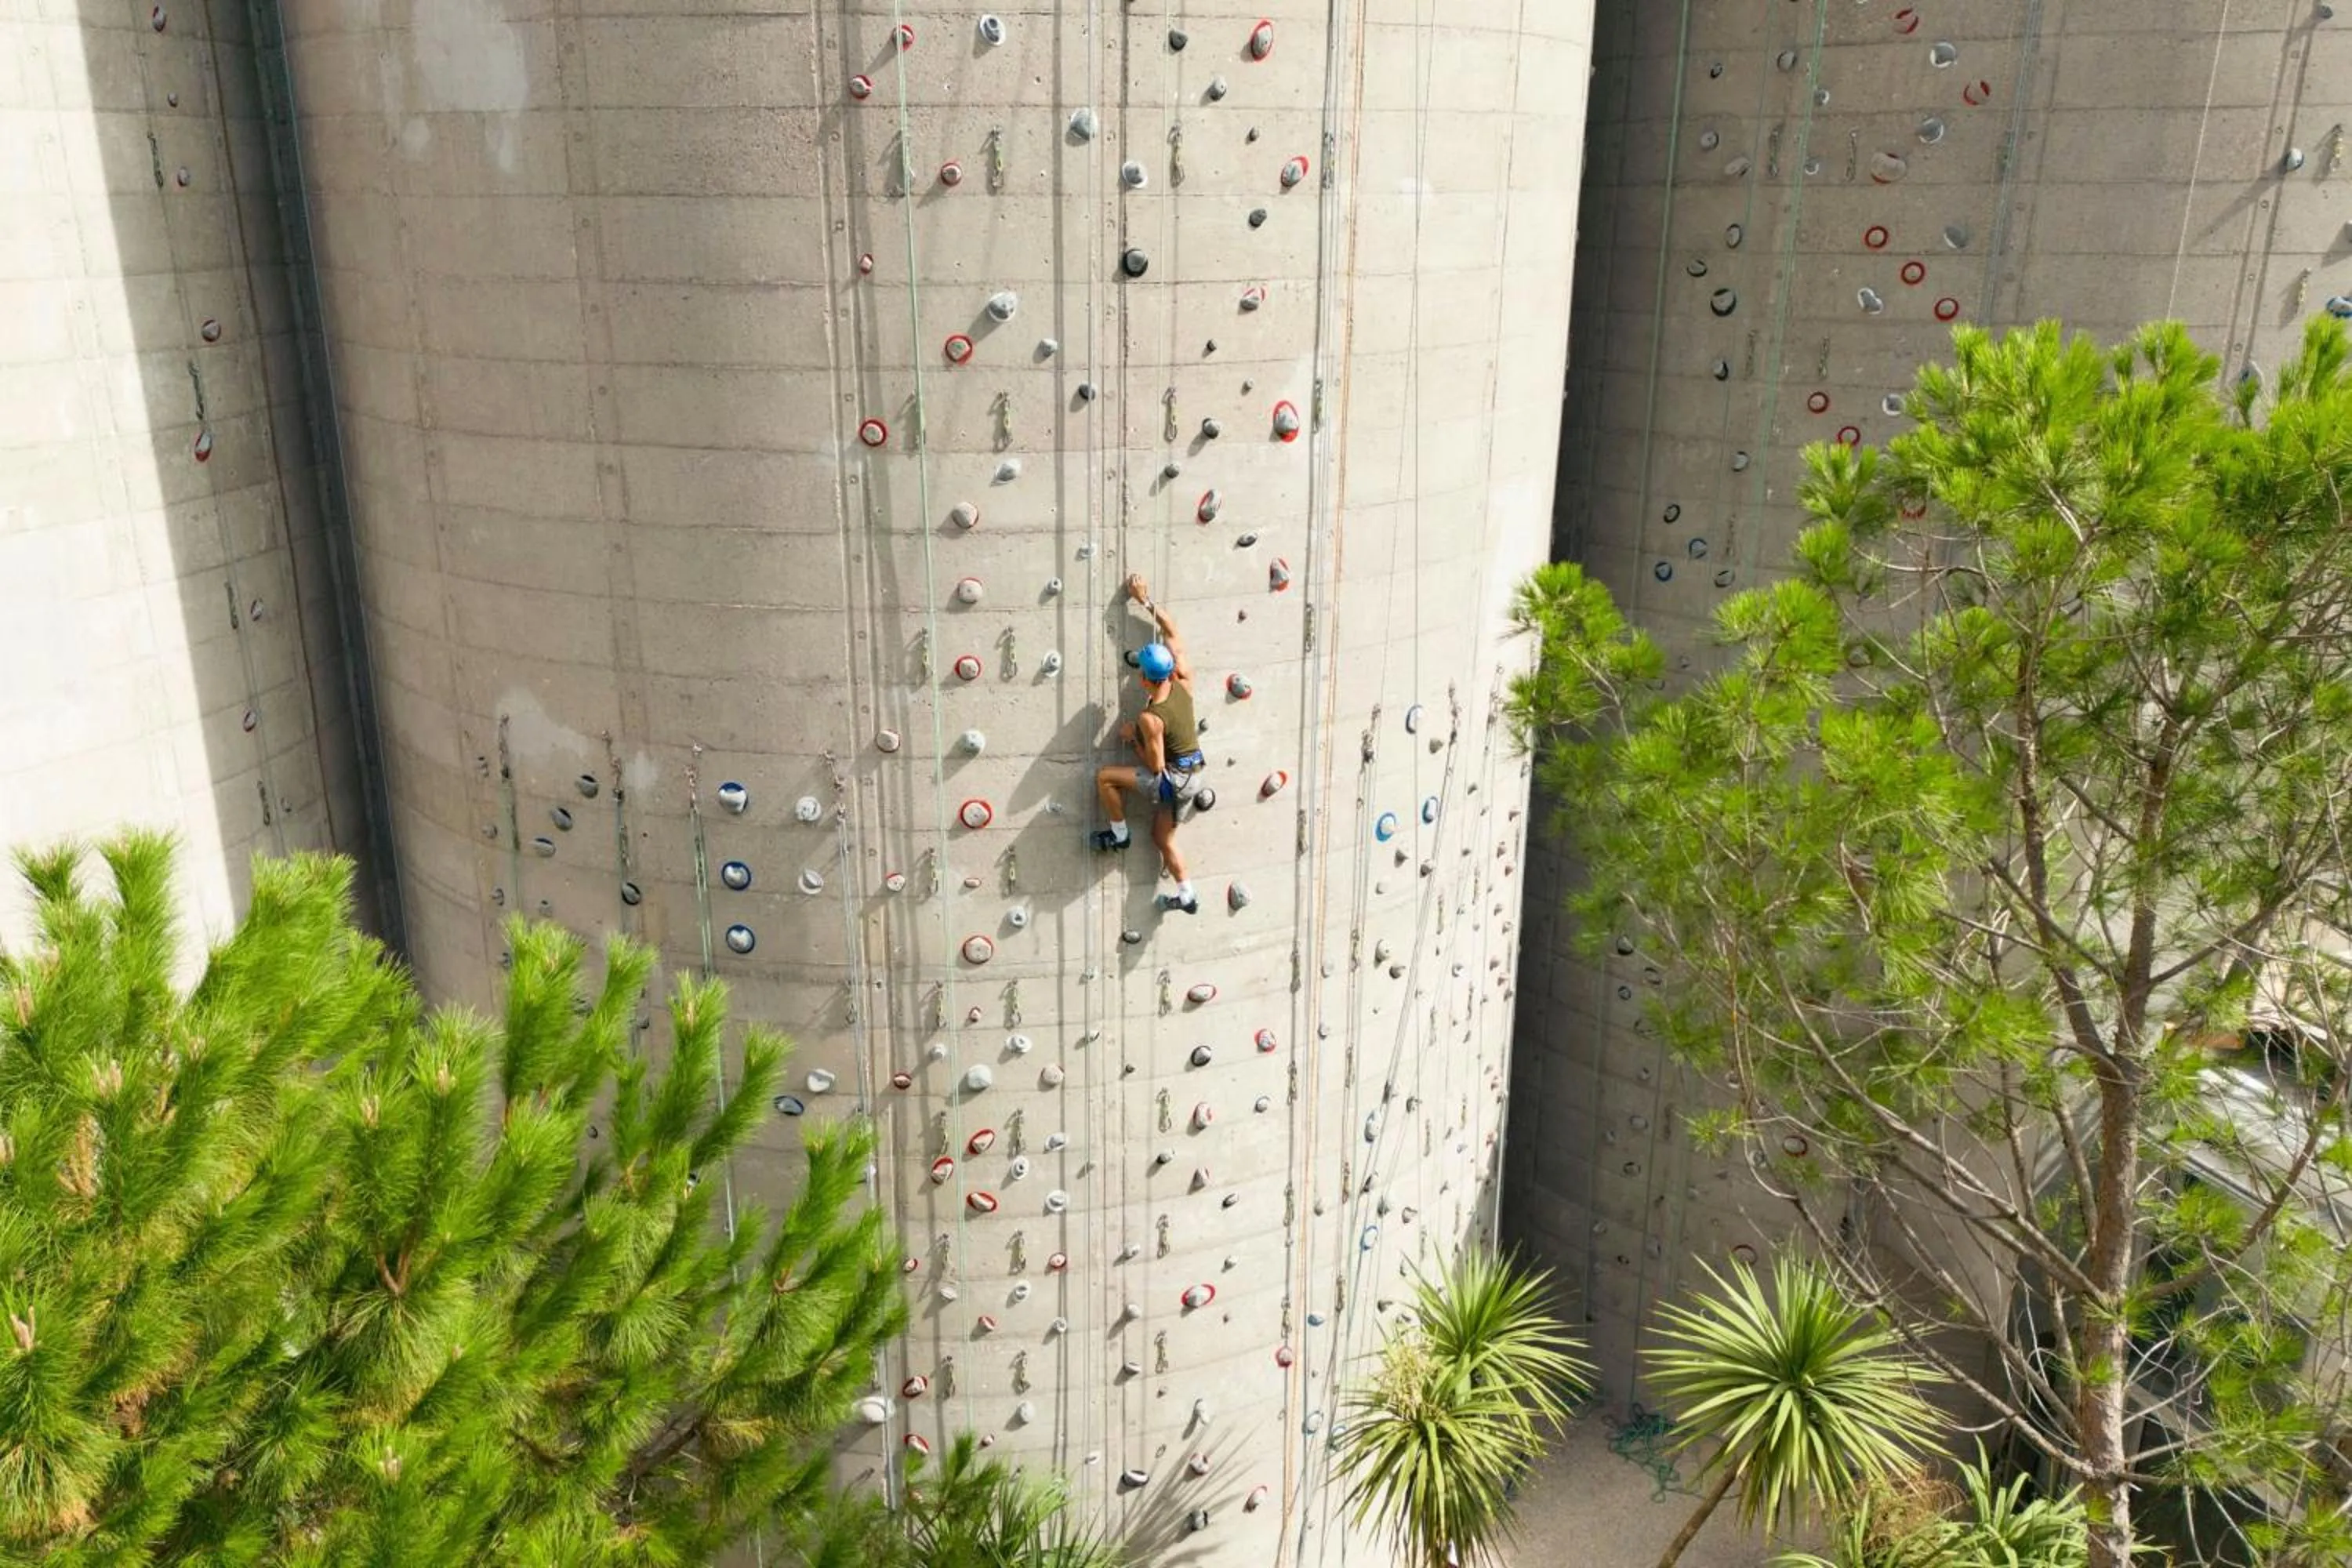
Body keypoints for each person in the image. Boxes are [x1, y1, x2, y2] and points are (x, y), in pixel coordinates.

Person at [1094, 572, 1206, 913]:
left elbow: (1155, 768)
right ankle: (1187, 895)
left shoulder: (1151, 718)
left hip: (1172, 781)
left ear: (1143, 678)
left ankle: (1119, 834)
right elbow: (1171, 632)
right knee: (1162, 839)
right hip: (1195, 773)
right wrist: (1144, 600)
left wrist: (1132, 740)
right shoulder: (1184, 680)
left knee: (1106, 778)